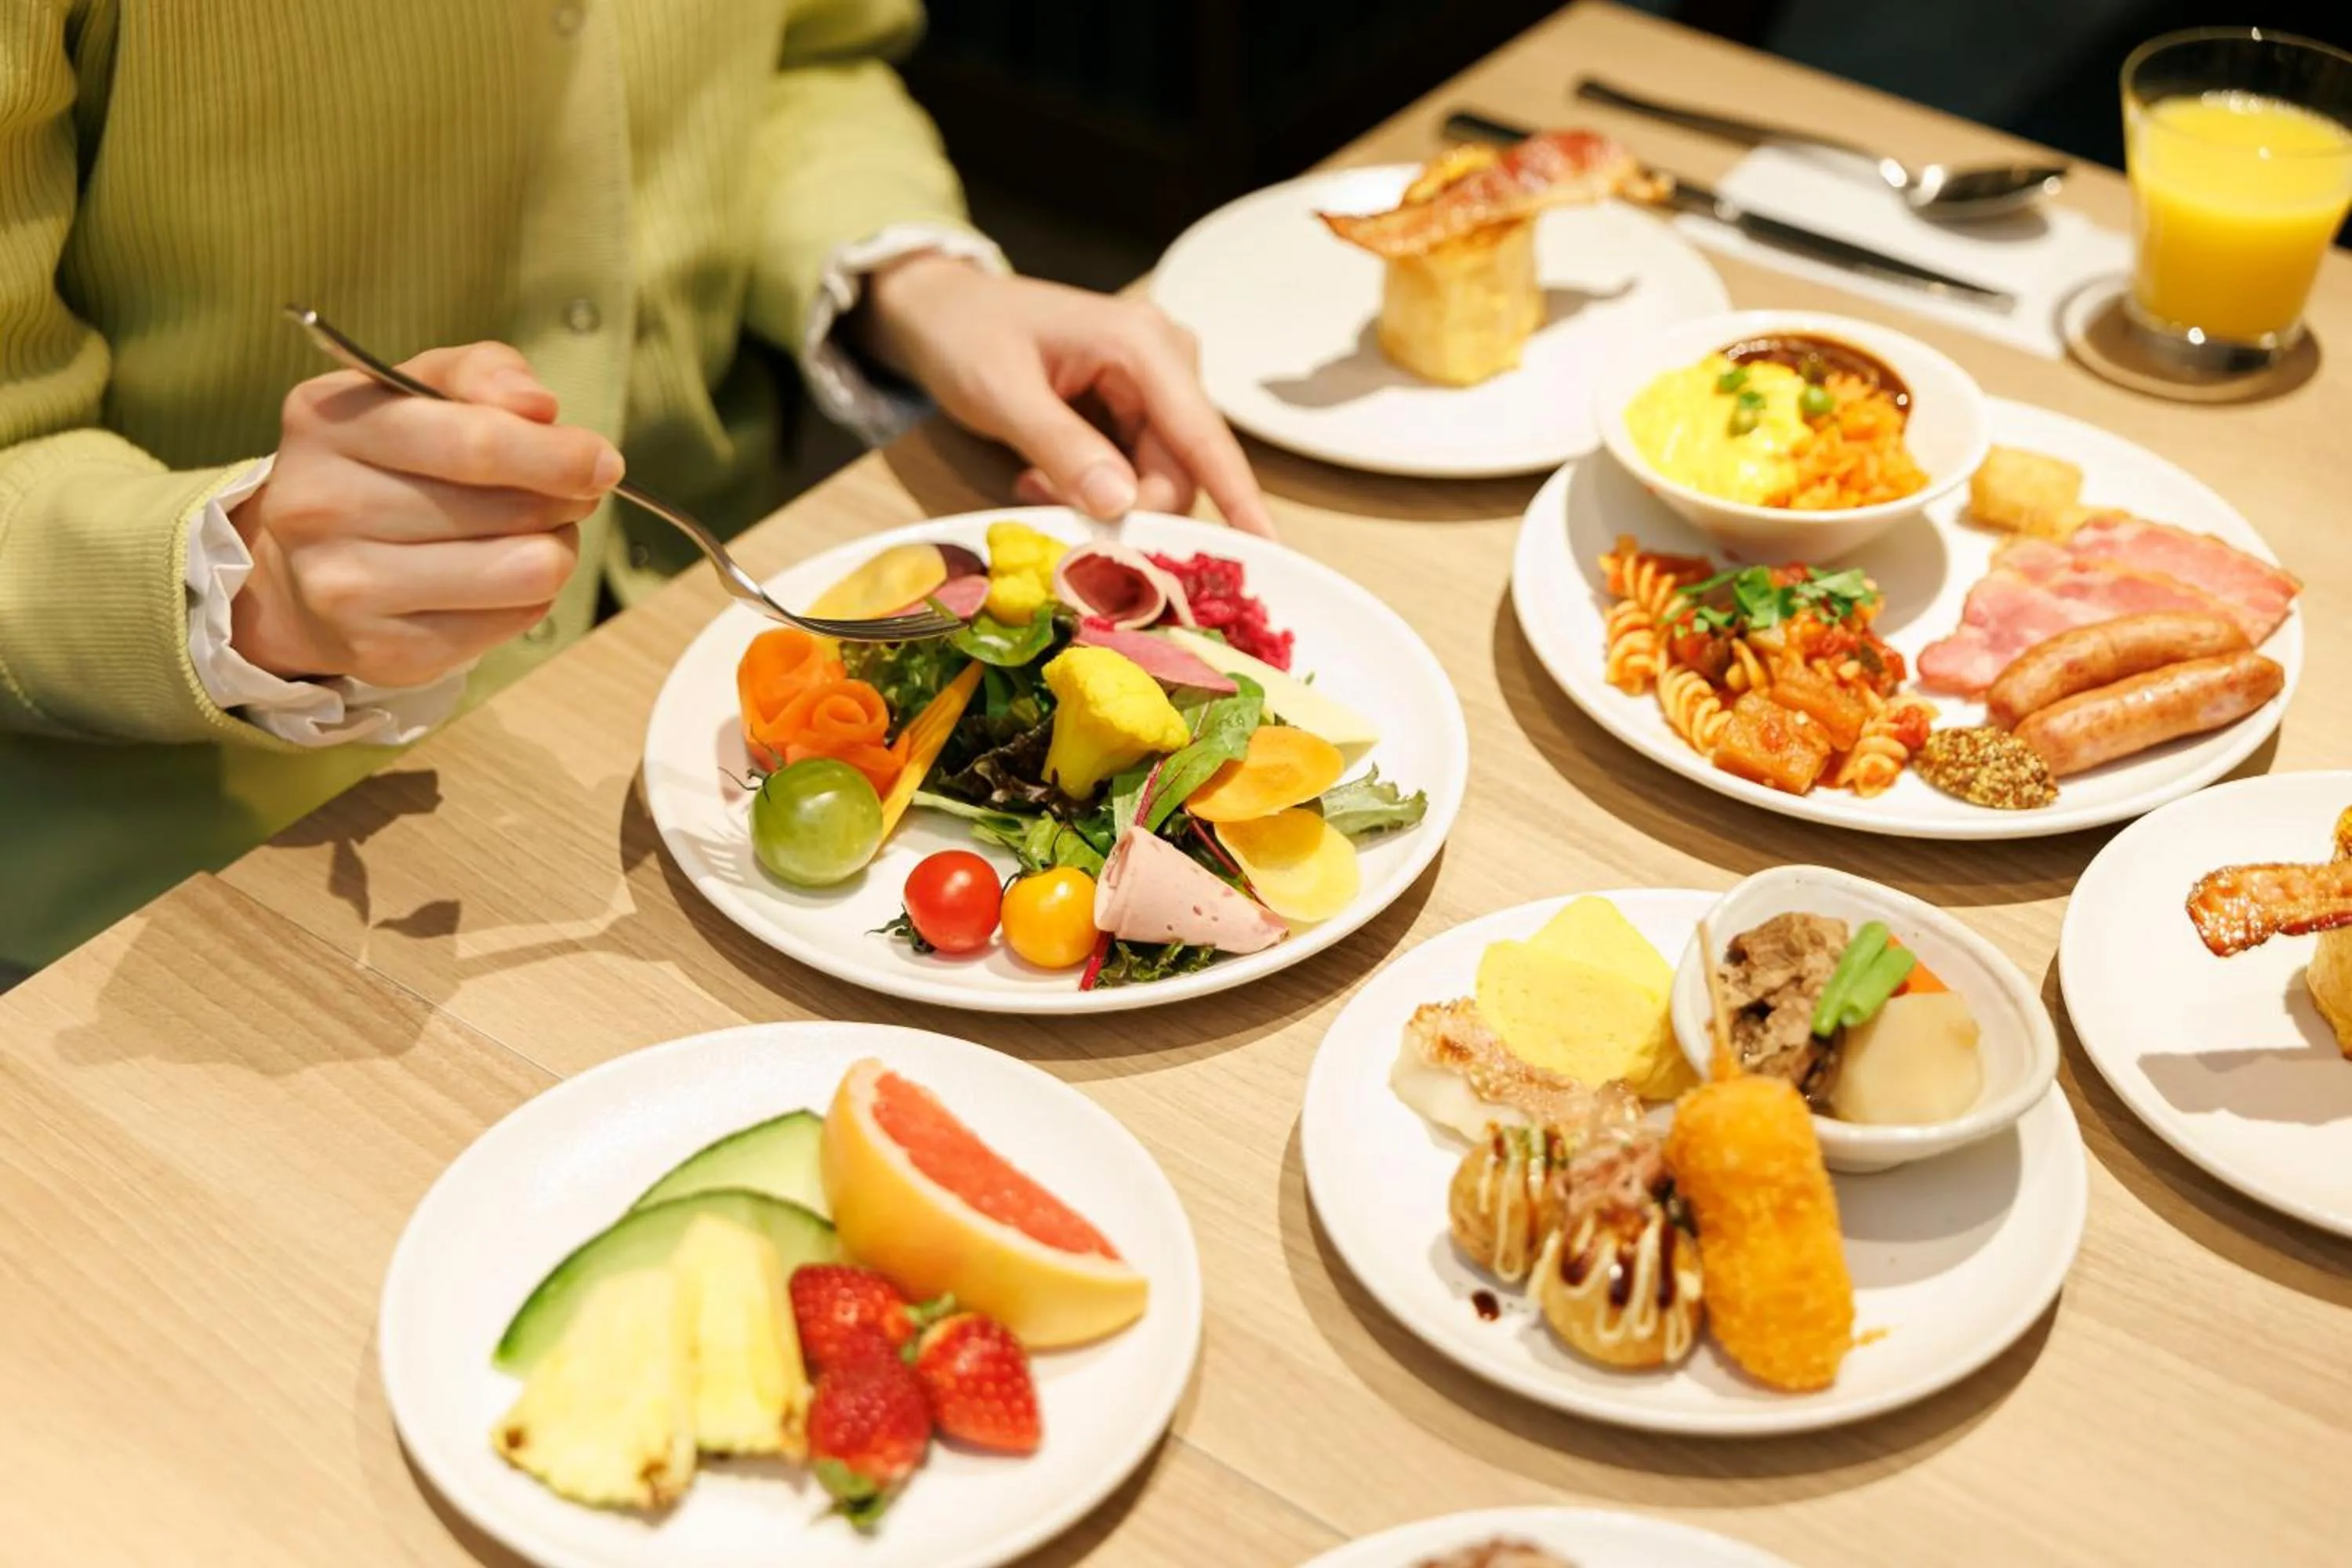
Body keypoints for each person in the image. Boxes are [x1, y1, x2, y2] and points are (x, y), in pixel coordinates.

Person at [0, 0, 1272, 975]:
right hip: (202, 886)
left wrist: (919, 282)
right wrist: (241, 578)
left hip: (694, 663)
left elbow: (806, 61)